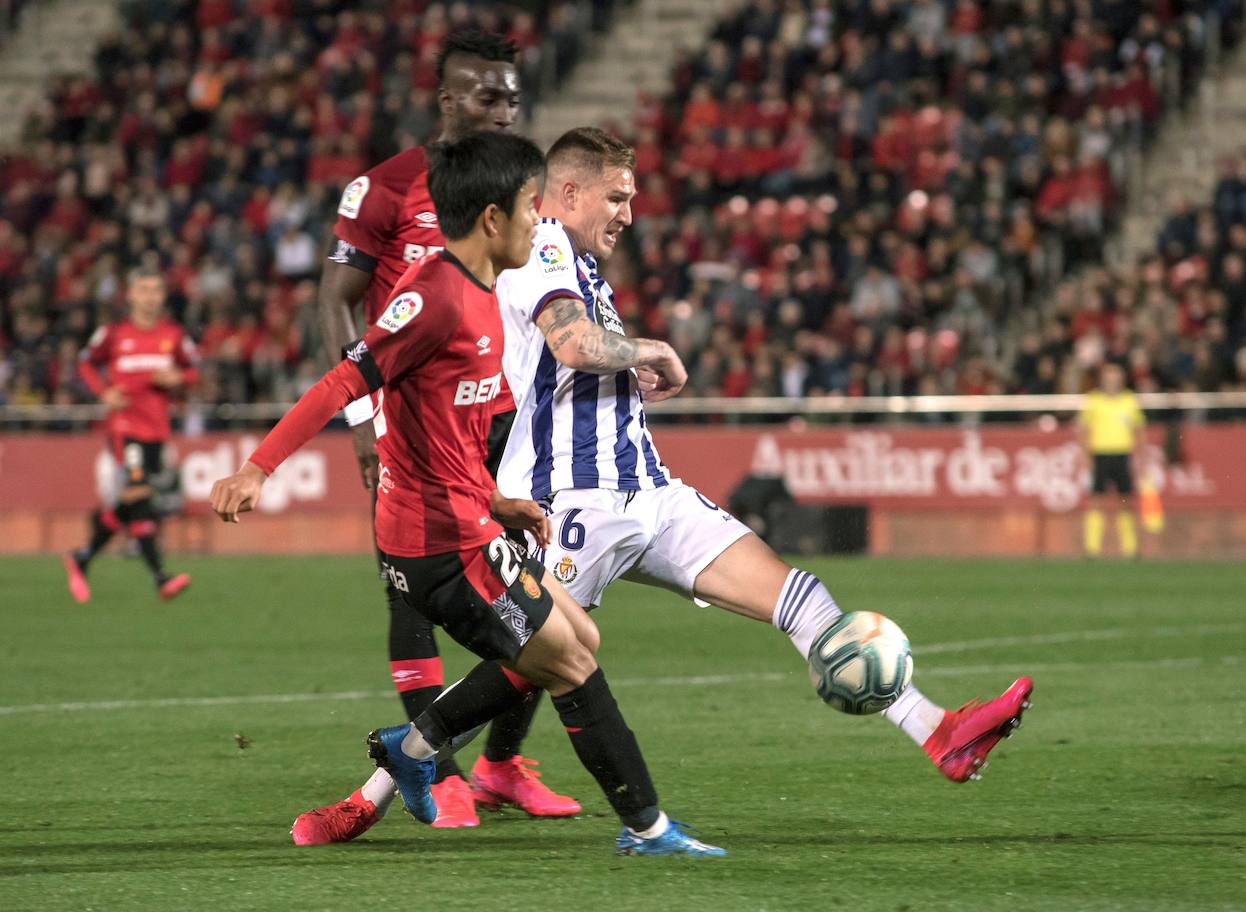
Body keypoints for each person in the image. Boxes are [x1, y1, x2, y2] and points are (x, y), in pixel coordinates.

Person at [302, 128, 1035, 846]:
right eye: (616, 197)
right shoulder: (546, 243)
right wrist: (651, 349)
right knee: (533, 665)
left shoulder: (581, 267)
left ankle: (937, 730)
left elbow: (575, 353)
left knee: (794, 594)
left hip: (648, 493)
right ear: (566, 194)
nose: (629, 212)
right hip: (572, 501)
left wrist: (627, 371)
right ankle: (381, 786)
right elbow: (570, 342)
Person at [210, 131, 723, 858]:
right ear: (492, 219)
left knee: (576, 637)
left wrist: (500, 500)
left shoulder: (487, 301)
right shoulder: (432, 297)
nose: (538, 226)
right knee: (570, 662)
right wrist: (257, 468)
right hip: (432, 547)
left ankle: (410, 752)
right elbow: (340, 382)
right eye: (527, 211)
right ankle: (648, 828)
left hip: (472, 523)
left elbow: (450, 432)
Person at [315, 26, 572, 827]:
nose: (502, 108)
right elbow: (335, 302)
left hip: (504, 417)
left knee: (539, 586)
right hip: (416, 427)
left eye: (512, 96)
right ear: (448, 99)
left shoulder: (529, 190)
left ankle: (500, 763)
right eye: (487, 94)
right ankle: (444, 775)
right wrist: (362, 417)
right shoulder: (387, 188)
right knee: (414, 595)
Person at [62, 265, 196, 603]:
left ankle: (81, 557)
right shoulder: (114, 333)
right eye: (144, 290)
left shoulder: (173, 334)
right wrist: (102, 392)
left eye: (156, 290)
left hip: (156, 429)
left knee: (131, 501)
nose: (151, 297)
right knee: (139, 492)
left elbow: (195, 369)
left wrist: (178, 378)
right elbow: (85, 361)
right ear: (131, 295)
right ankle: (160, 577)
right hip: (124, 427)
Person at [1079, 362, 1146, 557]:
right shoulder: (1094, 400)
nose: (1112, 381)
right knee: (1096, 500)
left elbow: (1139, 429)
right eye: (1109, 377)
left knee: (1126, 501)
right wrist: (1085, 455)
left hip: (1122, 454)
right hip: (1100, 454)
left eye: (1115, 377)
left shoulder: (1129, 400)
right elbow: (1083, 430)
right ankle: (1092, 548)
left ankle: (1130, 548)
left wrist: (1141, 456)